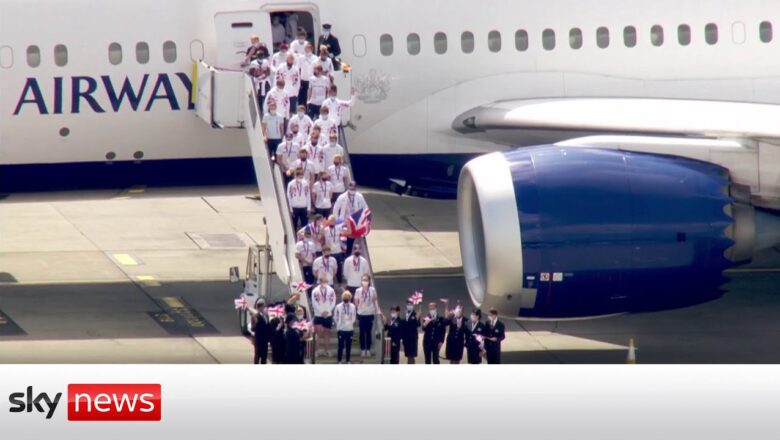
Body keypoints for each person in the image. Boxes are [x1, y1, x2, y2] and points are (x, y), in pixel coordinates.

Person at [333, 181, 368, 254]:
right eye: (351, 187)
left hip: (356, 222)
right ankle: (346, 254)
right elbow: (335, 209)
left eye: (353, 187)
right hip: (345, 222)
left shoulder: (359, 196)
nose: (352, 188)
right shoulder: (342, 197)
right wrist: (337, 221)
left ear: (356, 188)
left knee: (356, 240)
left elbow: (365, 208)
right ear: (348, 187)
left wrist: (365, 220)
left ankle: (355, 254)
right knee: (345, 240)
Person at [355, 274, 380, 358]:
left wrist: (378, 310)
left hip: (369, 314)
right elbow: (356, 301)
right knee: (362, 332)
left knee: (368, 332)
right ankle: (362, 349)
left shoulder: (372, 290)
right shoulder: (358, 290)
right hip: (361, 314)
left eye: (366, 280)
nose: (364, 281)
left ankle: (368, 350)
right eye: (363, 280)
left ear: (369, 281)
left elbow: (375, 301)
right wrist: (359, 306)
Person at [311, 274, 336, 357]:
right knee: (318, 334)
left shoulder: (331, 290)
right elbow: (314, 303)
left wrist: (327, 312)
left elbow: (333, 301)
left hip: (328, 315)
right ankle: (317, 350)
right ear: (320, 282)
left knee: (327, 333)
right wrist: (321, 312)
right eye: (323, 281)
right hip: (318, 315)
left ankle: (327, 350)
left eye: (326, 281)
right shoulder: (315, 291)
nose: (325, 283)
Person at [334, 291, 356, 364]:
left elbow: (354, 316)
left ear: (350, 297)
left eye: (348, 296)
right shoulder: (338, 306)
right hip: (341, 329)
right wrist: (339, 324)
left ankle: (348, 360)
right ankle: (339, 360)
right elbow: (335, 316)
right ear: (342, 297)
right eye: (345, 296)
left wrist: (350, 322)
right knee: (340, 346)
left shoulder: (353, 306)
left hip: (349, 329)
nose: (346, 298)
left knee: (348, 346)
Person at [324, 215, 346, 284]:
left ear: (335, 221)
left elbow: (349, 232)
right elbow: (320, 236)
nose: (332, 222)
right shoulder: (325, 230)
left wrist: (348, 224)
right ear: (328, 221)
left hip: (338, 251)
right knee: (329, 268)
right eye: (330, 220)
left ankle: (340, 283)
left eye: (333, 220)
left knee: (339, 268)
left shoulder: (338, 228)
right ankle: (330, 283)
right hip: (329, 252)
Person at [251, 300, 271, 364]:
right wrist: (256, 323)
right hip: (258, 340)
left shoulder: (266, 316)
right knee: (257, 356)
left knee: (264, 357)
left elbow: (268, 327)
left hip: (265, 340)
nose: (264, 308)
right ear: (259, 308)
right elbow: (253, 329)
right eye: (263, 307)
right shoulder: (255, 316)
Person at [297, 43, 317, 107]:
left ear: (311, 49)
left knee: (310, 96)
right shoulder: (301, 57)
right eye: (306, 48)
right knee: (302, 96)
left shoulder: (315, 58)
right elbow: (298, 68)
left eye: (308, 48)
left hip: (311, 80)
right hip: (303, 80)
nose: (307, 50)